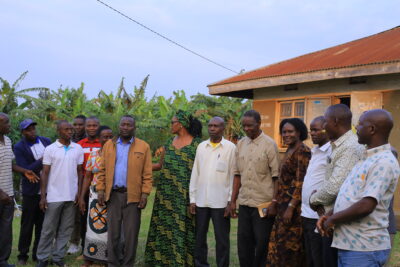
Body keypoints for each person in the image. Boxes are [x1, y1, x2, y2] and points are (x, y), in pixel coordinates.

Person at [317, 109, 400, 267]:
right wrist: (330, 214)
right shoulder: (365, 157)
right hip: (350, 246)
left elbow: (366, 205)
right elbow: (351, 196)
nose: (356, 127)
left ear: (372, 129)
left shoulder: (383, 161)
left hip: (364, 249)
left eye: (360, 124)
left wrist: (333, 220)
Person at [145, 110, 203, 267]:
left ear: (181, 124)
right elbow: (160, 165)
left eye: (173, 122)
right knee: (164, 226)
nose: (170, 125)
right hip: (165, 193)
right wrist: (138, 167)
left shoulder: (197, 145)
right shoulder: (169, 143)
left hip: (185, 194)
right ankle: (161, 260)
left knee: (182, 227)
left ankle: (181, 260)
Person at [310, 104, 365, 267]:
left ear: (335, 121)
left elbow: (335, 186)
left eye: (325, 122)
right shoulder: (339, 145)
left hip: (338, 221)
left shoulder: (350, 147)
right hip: (330, 217)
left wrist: (314, 199)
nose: (324, 127)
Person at [96, 115, 152, 267]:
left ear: (134, 128)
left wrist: (145, 194)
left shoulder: (143, 146)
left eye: (129, 125)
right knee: (113, 234)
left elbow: (147, 174)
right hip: (113, 195)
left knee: (130, 235)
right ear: (119, 126)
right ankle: (112, 263)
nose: (125, 127)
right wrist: (100, 190)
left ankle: (128, 264)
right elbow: (102, 170)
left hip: (132, 197)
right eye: (123, 124)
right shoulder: (109, 145)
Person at [230, 110, 280, 267]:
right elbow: (237, 175)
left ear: (259, 124)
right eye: (244, 126)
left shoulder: (269, 144)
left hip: (263, 205)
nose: (246, 129)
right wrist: (233, 201)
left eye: (250, 125)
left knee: (262, 244)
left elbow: (276, 176)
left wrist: (274, 202)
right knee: (244, 245)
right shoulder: (240, 144)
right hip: (244, 203)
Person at [35, 120, 84, 267]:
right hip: (54, 195)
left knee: (66, 229)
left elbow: (80, 172)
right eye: (66, 129)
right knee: (48, 229)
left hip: (71, 196)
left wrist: (79, 193)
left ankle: (58, 258)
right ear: (59, 131)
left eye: (71, 129)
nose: (70, 131)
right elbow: (45, 173)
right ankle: (42, 258)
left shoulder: (78, 148)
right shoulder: (50, 149)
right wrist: (43, 196)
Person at [189, 117, 236, 267]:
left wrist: (230, 201)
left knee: (222, 240)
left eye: (216, 126)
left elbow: (233, 175)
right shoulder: (201, 146)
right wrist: (192, 199)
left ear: (223, 128)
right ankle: (200, 264)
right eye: (210, 126)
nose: (212, 128)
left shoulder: (230, 148)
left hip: (221, 202)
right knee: (199, 238)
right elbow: (195, 173)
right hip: (201, 201)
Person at [266, 118, 311, 267]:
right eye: (284, 132)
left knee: (290, 248)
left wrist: (291, 208)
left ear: (299, 132)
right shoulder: (289, 149)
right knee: (278, 245)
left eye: (290, 131)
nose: (286, 135)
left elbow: (300, 182)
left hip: (294, 208)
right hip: (282, 204)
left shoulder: (303, 151)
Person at [0, 113, 39, 267]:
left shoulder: (8, 140)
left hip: (8, 195)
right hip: (2, 195)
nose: (9, 125)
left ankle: (2, 260)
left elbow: (9, 164)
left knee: (5, 232)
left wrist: (24, 171)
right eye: (6, 123)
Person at [14, 119, 52, 265]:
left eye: (33, 128)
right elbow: (26, 169)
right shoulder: (19, 147)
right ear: (23, 132)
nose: (32, 131)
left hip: (48, 190)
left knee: (42, 225)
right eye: (28, 130)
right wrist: (43, 159)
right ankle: (23, 255)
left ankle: (38, 254)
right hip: (31, 190)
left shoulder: (46, 141)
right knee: (27, 224)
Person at [78, 126, 113, 266]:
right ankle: (91, 256)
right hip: (94, 197)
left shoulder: (117, 155)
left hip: (111, 195)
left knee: (109, 227)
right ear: (99, 138)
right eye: (105, 137)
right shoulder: (94, 155)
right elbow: (87, 177)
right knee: (93, 227)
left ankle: (106, 257)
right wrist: (81, 197)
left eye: (111, 136)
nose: (108, 139)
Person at [300, 116, 330, 267]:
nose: (312, 133)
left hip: (317, 215)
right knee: (309, 257)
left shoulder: (331, 151)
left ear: (327, 129)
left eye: (316, 130)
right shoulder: (315, 151)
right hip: (305, 212)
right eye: (311, 130)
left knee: (318, 258)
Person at [72, 116, 101, 257]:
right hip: (83, 184)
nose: (91, 128)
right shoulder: (79, 145)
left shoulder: (103, 143)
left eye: (94, 125)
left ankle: (99, 249)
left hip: (98, 186)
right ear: (85, 127)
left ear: (98, 126)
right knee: (83, 219)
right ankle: (85, 249)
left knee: (98, 218)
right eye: (89, 126)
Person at [69, 114, 87, 254]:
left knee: (87, 215)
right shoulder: (69, 141)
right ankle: (74, 242)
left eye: (80, 124)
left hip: (89, 182)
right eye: (75, 124)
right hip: (74, 181)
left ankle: (87, 242)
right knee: (75, 215)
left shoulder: (91, 139)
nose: (77, 127)